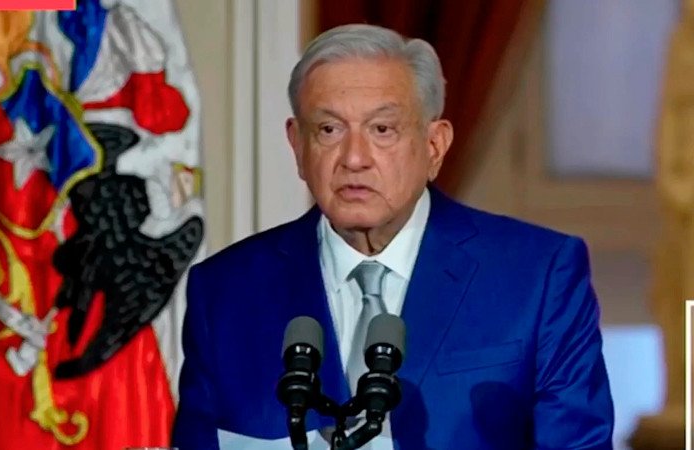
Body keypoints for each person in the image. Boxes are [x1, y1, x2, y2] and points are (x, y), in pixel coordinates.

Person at [172, 24, 614, 449]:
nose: (354, 158)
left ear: (434, 146)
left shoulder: (538, 276)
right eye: (329, 130)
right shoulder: (225, 292)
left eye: (382, 129)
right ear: (298, 146)